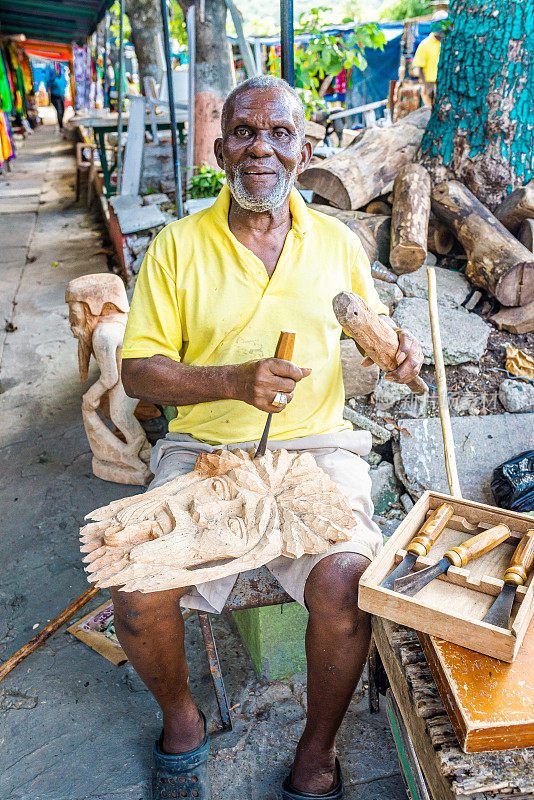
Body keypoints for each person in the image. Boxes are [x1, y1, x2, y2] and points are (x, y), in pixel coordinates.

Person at [115, 75, 424, 800]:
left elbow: (371, 330)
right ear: (221, 149)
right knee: (133, 588)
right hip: (204, 455)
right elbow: (137, 373)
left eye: (280, 134)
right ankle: (183, 722)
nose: (263, 148)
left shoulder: (338, 245)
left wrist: (398, 352)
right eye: (246, 133)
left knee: (350, 580)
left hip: (317, 447)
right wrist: (230, 382)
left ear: (303, 148)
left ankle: (316, 754)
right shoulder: (176, 246)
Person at [413, 10, 448, 106]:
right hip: (430, 84)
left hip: (446, 84)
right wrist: (427, 87)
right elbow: (419, 69)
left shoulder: (449, 44)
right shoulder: (425, 44)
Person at [46, 61, 67, 131]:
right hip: (55, 96)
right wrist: (49, 98)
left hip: (61, 95)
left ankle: (61, 124)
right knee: (59, 110)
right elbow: (49, 86)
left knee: (62, 110)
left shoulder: (62, 73)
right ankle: (60, 126)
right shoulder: (52, 74)